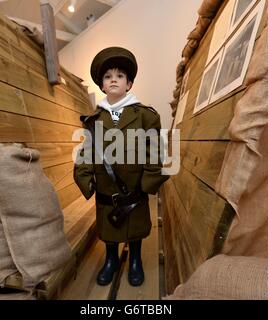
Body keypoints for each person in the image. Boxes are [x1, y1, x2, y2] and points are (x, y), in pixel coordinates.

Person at [74, 47, 168, 286]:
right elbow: (85, 152)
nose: (113, 79)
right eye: (107, 76)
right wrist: (85, 179)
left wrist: (148, 183)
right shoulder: (94, 121)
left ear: (129, 84)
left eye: (119, 75)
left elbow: (154, 150)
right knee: (108, 228)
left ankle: (135, 259)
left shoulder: (146, 117)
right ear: (102, 86)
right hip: (106, 189)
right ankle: (111, 259)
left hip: (134, 189)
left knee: (135, 228)